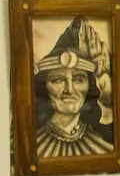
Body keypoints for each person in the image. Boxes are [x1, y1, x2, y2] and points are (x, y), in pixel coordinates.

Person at [34, 17, 114, 158]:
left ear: (90, 86)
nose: (70, 90)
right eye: (57, 80)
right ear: (44, 87)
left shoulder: (106, 146)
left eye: (78, 80)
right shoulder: (30, 147)